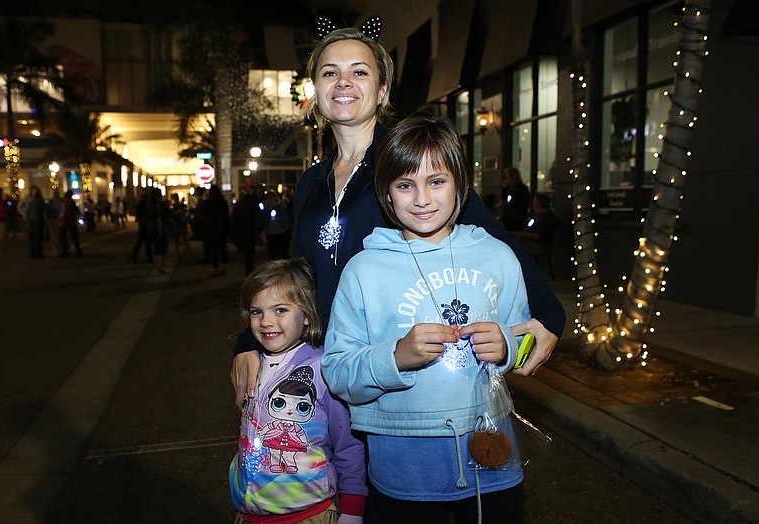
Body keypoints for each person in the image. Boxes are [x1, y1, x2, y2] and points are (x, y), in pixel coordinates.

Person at [231, 23, 564, 403]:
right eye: (329, 73)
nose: (343, 82)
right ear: (316, 90)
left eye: (359, 71)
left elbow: (492, 236)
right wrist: (250, 339)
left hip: (403, 370)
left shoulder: (408, 162)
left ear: (382, 89)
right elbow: (301, 274)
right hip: (332, 365)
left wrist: (549, 315)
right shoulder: (310, 181)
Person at [322, 114, 530, 524]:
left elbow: (525, 335)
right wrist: (395, 357)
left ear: (459, 184)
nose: (421, 199)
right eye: (404, 185)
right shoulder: (363, 271)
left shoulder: (497, 256)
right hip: (402, 467)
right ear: (386, 191)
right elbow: (338, 371)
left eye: (436, 181)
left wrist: (509, 348)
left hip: (490, 458)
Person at [220, 258, 366, 524]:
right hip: (250, 522)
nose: (266, 321)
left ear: (308, 317)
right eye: (256, 311)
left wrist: (352, 514)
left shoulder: (324, 369)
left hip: (308, 522)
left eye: (280, 310)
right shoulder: (251, 365)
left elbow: (349, 446)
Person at [230, 180, 263, 276]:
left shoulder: (243, 201)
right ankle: (249, 270)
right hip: (249, 229)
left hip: (245, 229)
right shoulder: (252, 201)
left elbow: (237, 216)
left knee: (248, 252)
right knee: (250, 251)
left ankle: (248, 270)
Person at [200, 184, 230, 276]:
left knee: (214, 249)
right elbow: (226, 217)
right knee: (222, 247)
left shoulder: (207, 203)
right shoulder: (222, 202)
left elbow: (204, 217)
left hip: (211, 229)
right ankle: (224, 266)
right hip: (221, 228)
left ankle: (215, 267)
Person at [146, 188, 172, 273]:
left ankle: (157, 266)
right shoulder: (161, 205)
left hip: (152, 228)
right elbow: (168, 215)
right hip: (160, 228)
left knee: (155, 247)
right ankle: (160, 267)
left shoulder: (149, 205)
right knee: (162, 247)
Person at [263, 189, 292, 260]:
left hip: (282, 229)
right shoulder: (266, 204)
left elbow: (285, 210)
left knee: (283, 251)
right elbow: (263, 215)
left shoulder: (281, 203)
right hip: (271, 231)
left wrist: (276, 206)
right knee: (272, 253)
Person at [499, 167, 530, 232]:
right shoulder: (507, 188)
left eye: (508, 177)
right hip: (508, 216)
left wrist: (510, 203)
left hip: (518, 217)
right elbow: (503, 198)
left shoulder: (522, 188)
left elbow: (523, 202)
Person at [130, 189, 153, 264]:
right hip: (144, 221)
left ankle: (148, 256)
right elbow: (141, 209)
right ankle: (135, 254)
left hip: (144, 221)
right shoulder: (145, 200)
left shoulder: (143, 199)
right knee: (143, 238)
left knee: (146, 239)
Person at [59, 192, 82, 258]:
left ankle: (64, 252)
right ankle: (78, 251)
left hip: (66, 222)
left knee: (63, 237)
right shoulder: (72, 203)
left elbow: (65, 213)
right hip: (72, 221)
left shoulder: (66, 203)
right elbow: (77, 211)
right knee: (74, 237)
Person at [26, 186, 46, 258]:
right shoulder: (40, 201)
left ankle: (33, 252)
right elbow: (44, 210)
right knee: (39, 237)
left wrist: (27, 219)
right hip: (38, 220)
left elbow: (27, 211)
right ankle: (38, 253)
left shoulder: (32, 201)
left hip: (32, 220)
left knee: (33, 237)